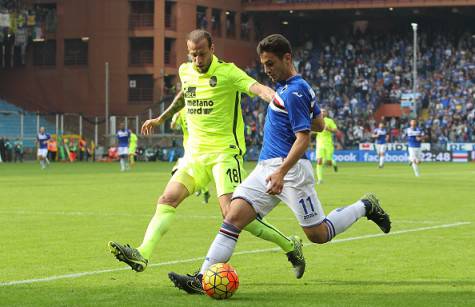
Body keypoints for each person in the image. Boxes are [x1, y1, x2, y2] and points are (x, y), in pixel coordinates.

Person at [168, 34, 391, 294]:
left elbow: (304, 138)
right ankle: (202, 277)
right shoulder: (296, 87)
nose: (267, 70)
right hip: (266, 168)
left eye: (271, 64)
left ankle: (365, 206)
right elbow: (318, 124)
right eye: (264, 64)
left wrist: (281, 172)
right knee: (233, 217)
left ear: (287, 58)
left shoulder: (295, 91)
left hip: (290, 172)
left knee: (318, 234)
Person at [108, 29, 305, 280]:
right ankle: (143, 253)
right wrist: (161, 117)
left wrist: (279, 100)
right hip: (194, 155)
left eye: (202, 54)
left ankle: (290, 245)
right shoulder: (185, 71)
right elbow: (185, 95)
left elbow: (257, 88)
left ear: (212, 48)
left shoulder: (228, 72)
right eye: (193, 55)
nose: (198, 61)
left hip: (225, 154)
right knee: (167, 198)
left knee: (232, 215)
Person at [171, 109, 210, 204]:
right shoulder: (180, 113)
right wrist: (174, 120)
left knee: (177, 171)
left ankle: (201, 189)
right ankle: (203, 190)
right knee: (180, 172)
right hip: (188, 149)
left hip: (199, 148)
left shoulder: (199, 109)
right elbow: (173, 127)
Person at [315, 108, 338, 184]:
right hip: (319, 143)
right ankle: (320, 179)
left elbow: (335, 130)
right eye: (321, 111)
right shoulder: (316, 120)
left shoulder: (329, 121)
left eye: (324, 111)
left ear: (326, 113)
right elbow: (313, 130)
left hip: (328, 143)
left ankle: (334, 163)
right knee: (319, 161)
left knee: (328, 162)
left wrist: (328, 129)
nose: (322, 112)